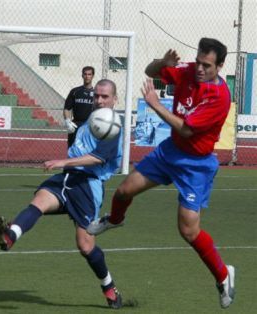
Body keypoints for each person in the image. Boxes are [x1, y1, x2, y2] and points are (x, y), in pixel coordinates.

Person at [87, 38, 235, 309]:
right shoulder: (189, 70)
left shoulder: (220, 97)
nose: (200, 69)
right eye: (199, 62)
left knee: (188, 230)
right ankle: (115, 219)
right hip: (169, 153)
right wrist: (162, 63)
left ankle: (224, 276)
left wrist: (155, 104)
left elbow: (187, 129)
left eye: (207, 65)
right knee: (123, 190)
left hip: (196, 165)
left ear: (220, 66)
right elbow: (150, 71)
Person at [0, 79, 123, 309]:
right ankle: (10, 235)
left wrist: (62, 161)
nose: (99, 100)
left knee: (85, 246)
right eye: (97, 96)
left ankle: (109, 286)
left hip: (87, 186)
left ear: (115, 99)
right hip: (67, 178)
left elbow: (98, 159)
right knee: (39, 202)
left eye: (105, 97)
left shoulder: (112, 126)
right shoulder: (91, 122)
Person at [63, 66, 95, 148]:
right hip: (76, 125)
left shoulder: (97, 94)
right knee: (72, 150)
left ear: (92, 76)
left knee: (89, 152)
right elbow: (67, 108)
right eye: (85, 74)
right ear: (82, 75)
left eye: (89, 74)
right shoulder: (75, 91)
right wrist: (67, 122)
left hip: (90, 126)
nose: (87, 76)